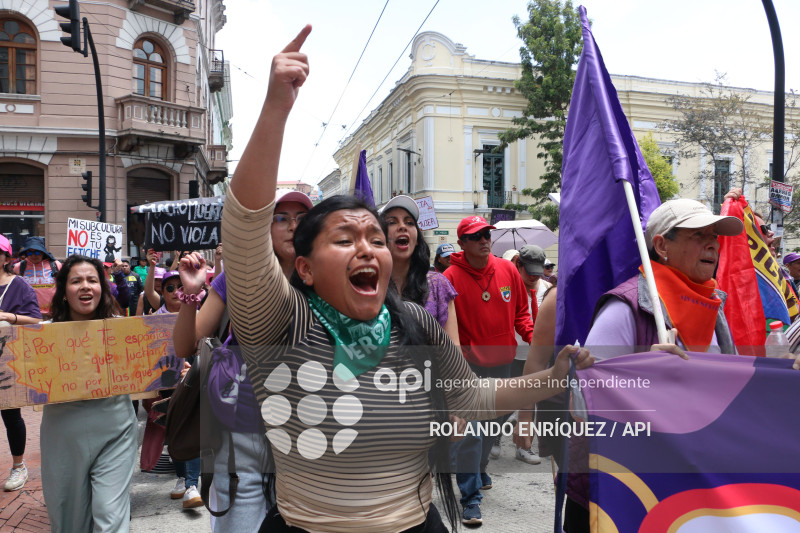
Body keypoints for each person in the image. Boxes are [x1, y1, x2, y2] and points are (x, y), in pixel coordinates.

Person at [219, 25, 592, 533]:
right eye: (345, 239)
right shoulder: (278, 324)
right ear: (304, 267)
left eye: (374, 237)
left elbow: (472, 397)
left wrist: (550, 381)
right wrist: (276, 108)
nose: (368, 247)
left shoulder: (415, 323)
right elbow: (243, 226)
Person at [172, 188, 312, 531]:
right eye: (281, 218)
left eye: (301, 219)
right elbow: (185, 345)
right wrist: (191, 293)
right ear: (264, 228)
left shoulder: (325, 279)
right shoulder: (236, 276)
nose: (292, 226)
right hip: (242, 435)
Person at [443, 214, 534, 525]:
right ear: (463, 243)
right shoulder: (450, 277)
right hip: (467, 368)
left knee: (493, 427)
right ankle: (470, 497)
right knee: (473, 433)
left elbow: (522, 312)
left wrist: (535, 335)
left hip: (503, 364)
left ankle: (479, 469)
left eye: (487, 234)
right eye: (476, 235)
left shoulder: (508, 269)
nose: (484, 239)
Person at [40, 255, 137, 532]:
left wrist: (170, 367)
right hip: (63, 436)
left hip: (116, 432)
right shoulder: (42, 338)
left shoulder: (123, 330)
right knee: (68, 520)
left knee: (110, 517)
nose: (85, 286)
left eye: (92, 280)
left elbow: (151, 362)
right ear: (64, 290)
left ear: (102, 287)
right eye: (76, 281)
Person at [380, 195, 460, 344]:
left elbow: (455, 351)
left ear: (417, 239)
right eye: (392, 222)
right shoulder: (368, 287)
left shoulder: (438, 285)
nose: (402, 226)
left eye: (410, 222)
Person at [0, 235, 41, 492]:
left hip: (8, 361)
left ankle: (18, 466)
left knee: (10, 414)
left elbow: (36, 320)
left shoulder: (19, 284)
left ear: (6, 256)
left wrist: (9, 317)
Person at [13, 236, 62, 318]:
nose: (33, 255)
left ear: (43, 252)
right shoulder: (19, 267)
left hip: (53, 313)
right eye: (29, 253)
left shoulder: (55, 265)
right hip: (28, 315)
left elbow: (63, 285)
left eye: (37, 252)